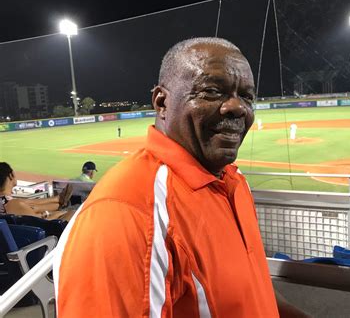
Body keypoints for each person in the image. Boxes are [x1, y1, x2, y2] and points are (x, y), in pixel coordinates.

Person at [54, 37, 309, 317]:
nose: (237, 107)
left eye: (247, 96)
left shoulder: (232, 180)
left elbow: (250, 283)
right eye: (212, 91)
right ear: (162, 102)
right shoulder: (125, 213)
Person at [0, 162, 74, 220]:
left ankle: (59, 200)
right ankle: (62, 204)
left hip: (17, 231)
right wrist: (56, 214)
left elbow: (30, 203)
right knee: (72, 213)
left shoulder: (7, 201)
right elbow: (41, 222)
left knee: (30, 205)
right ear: (10, 175)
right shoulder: (13, 204)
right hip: (42, 237)